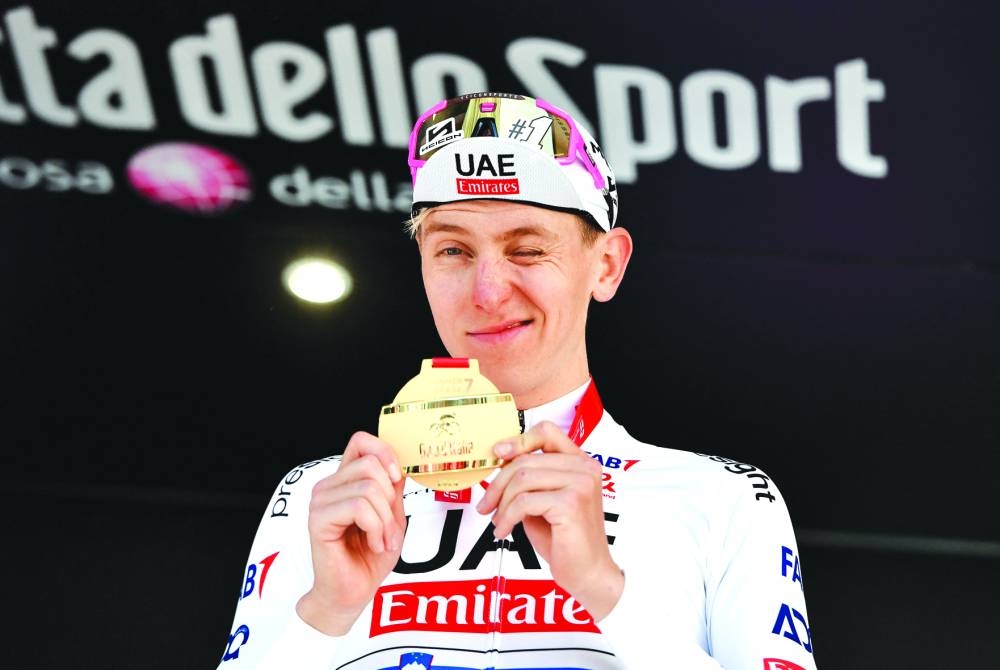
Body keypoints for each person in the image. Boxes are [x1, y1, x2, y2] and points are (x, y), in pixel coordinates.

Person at [217, 92, 817, 670]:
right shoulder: (321, 497)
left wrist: (606, 592)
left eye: (527, 250)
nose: (487, 293)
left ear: (605, 265)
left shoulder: (723, 498)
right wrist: (326, 613)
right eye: (453, 251)